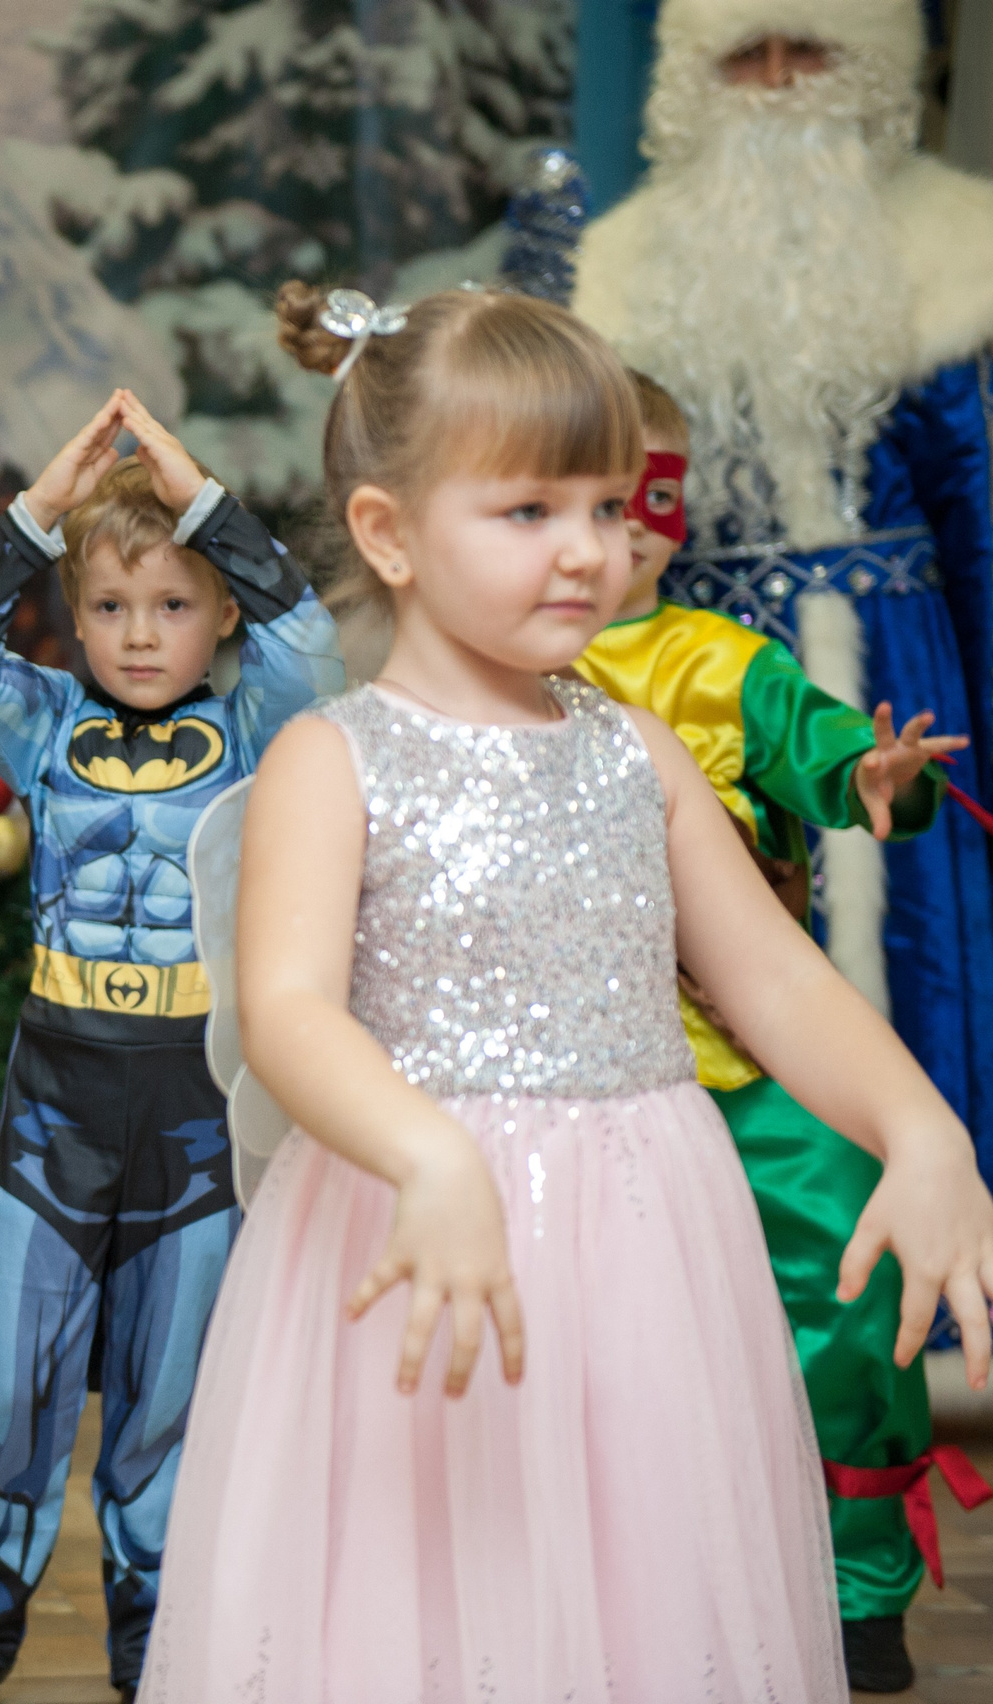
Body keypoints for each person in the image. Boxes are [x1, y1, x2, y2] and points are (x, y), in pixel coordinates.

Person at [136, 283, 993, 1702]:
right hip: (416, 1239)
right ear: (390, 534)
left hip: (649, 1250)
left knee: (636, 1589)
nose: (591, 551)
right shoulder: (334, 762)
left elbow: (776, 979)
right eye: (530, 512)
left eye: (609, 506)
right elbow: (289, 1014)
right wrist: (427, 1153)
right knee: (430, 1594)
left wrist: (924, 1131)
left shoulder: (636, 753)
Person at [0, 393, 339, 1703]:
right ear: (73, 616)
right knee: (10, 1380)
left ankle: (151, 1641)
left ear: (216, 616)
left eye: (171, 605)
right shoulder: (40, 719)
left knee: (166, 1401)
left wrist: (201, 502)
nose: (139, 634)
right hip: (56, 1104)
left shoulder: (264, 728)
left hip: (194, 1109)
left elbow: (313, 645)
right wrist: (41, 514)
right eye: (109, 608)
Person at [572, 370, 973, 1692]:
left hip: (739, 1067)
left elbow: (823, 748)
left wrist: (869, 774)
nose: (623, 527)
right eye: (584, 491)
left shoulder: (720, 661)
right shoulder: (506, 667)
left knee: (848, 1274)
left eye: (652, 496)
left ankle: (858, 1584)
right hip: (564, 1078)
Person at [573, 0, 993, 1170]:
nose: (772, 84)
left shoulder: (957, 258)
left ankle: (940, 1258)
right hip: (681, 669)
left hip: (896, 656)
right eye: (741, 55)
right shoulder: (618, 275)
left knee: (914, 932)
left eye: (805, 52)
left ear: (865, 67)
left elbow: (977, 522)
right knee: (701, 963)